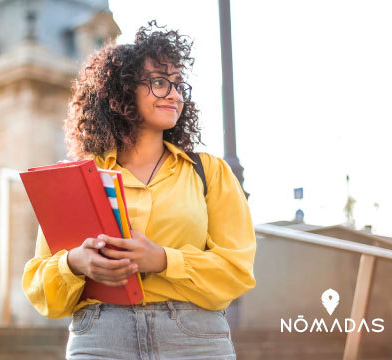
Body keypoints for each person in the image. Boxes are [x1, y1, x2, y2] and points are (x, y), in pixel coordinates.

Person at [22, 20, 256, 359]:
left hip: (194, 338)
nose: (174, 94)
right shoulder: (78, 179)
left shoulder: (209, 172)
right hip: (101, 337)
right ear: (123, 91)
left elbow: (237, 270)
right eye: (160, 82)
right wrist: (75, 263)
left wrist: (162, 259)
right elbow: (40, 284)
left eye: (179, 85)